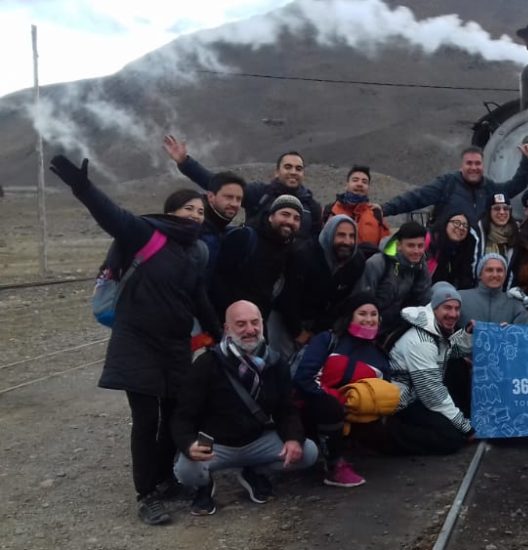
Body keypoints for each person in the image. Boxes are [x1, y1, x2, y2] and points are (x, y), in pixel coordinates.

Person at [49, 155, 219, 525]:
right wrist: (83, 188)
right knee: (145, 418)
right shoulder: (146, 233)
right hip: (137, 341)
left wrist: (219, 337)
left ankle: (164, 479)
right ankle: (146, 494)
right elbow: (111, 214)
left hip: (176, 345)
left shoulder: (197, 252)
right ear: (170, 211)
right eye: (189, 208)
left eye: (201, 211)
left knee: (174, 414)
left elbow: (199, 299)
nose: (196, 215)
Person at [172, 301, 319, 517]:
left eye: (254, 323)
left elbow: (286, 409)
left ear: (262, 324)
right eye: (241, 324)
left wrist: (292, 438)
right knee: (186, 471)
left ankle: (254, 472)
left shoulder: (275, 362)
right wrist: (189, 444)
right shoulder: (207, 364)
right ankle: (204, 486)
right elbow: (183, 415)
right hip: (213, 440)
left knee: (308, 452)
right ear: (227, 329)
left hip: (257, 438)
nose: (250, 330)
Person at [292, 293, 390, 488]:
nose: (369, 319)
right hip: (311, 408)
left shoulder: (379, 355)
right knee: (330, 406)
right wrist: (337, 399)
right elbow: (304, 378)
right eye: (362, 313)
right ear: (350, 316)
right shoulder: (328, 340)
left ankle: (352, 448)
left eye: (373, 314)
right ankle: (334, 465)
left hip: (351, 415)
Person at [163, 135, 321, 237]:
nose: (293, 172)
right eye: (288, 167)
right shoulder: (260, 193)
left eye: (298, 169)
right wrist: (185, 163)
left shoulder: (311, 205)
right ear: (276, 172)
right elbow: (220, 185)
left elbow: (314, 242)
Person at [386, 283, 476, 455]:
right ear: (434, 309)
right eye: (447, 308)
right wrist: (467, 428)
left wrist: (468, 334)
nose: (453, 314)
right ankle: (385, 435)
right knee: (451, 438)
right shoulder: (421, 341)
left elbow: (452, 351)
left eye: (457, 308)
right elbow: (433, 394)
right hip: (403, 403)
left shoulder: (435, 330)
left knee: (454, 428)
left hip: (418, 396)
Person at [215, 194, 304, 358]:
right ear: (271, 217)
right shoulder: (245, 238)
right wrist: (221, 324)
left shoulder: (288, 252)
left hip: (257, 328)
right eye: (285, 214)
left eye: (296, 218)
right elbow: (216, 281)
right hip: (227, 328)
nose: (290, 221)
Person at [381, 144, 528, 232]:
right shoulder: (447, 183)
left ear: (483, 165)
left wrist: (527, 160)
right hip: (446, 251)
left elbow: (517, 185)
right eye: (469, 163)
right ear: (461, 165)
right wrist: (384, 210)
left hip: (476, 252)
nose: (473, 167)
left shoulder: (490, 188)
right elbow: (416, 197)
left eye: (477, 163)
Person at [286, 215, 367, 346]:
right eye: (341, 235)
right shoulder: (304, 255)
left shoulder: (356, 262)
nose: (347, 241)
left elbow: (343, 301)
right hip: (289, 316)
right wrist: (298, 332)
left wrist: (320, 331)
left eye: (352, 236)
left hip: (321, 321)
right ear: (329, 234)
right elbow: (288, 297)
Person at [355, 221, 433, 335]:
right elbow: (360, 301)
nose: (417, 251)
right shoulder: (378, 263)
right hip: (370, 326)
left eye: (420, 246)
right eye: (411, 245)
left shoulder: (421, 266)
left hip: (398, 328)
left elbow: (424, 300)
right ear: (399, 245)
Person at [322, 165, 389, 249]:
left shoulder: (376, 214)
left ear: (368, 188)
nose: (360, 184)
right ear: (346, 184)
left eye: (364, 182)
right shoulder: (330, 210)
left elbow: (387, 246)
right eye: (355, 180)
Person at [459, 253, 528, 326]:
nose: (495, 275)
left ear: (505, 275)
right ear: (480, 274)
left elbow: (527, 334)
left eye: (499, 270)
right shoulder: (461, 299)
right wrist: (466, 333)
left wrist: (511, 333)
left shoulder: (515, 304)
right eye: (489, 270)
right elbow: (449, 335)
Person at [198, 172, 245, 274]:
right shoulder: (196, 228)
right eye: (228, 197)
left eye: (239, 199)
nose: (234, 204)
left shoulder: (220, 228)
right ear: (210, 196)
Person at [472, 193, 519, 287]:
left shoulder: (517, 234)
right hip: (476, 289)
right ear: (488, 211)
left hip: (504, 292)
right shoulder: (475, 232)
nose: (502, 212)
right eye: (497, 208)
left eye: (506, 209)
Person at [428, 210, 479, 290]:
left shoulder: (465, 249)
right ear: (446, 223)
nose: (461, 227)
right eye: (456, 222)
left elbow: (465, 278)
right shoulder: (431, 242)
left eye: (465, 225)